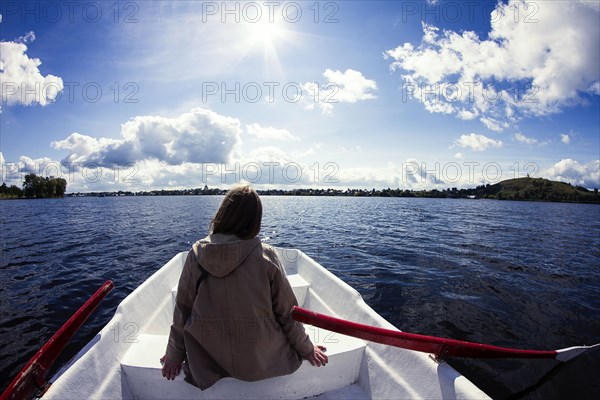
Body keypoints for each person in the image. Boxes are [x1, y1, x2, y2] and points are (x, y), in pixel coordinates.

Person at [161, 184, 327, 390]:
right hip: (261, 359)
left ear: (223, 213)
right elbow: (288, 313)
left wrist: (174, 354)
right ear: (254, 219)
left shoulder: (196, 254)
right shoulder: (266, 256)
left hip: (208, 359)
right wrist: (306, 348)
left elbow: (182, 310)